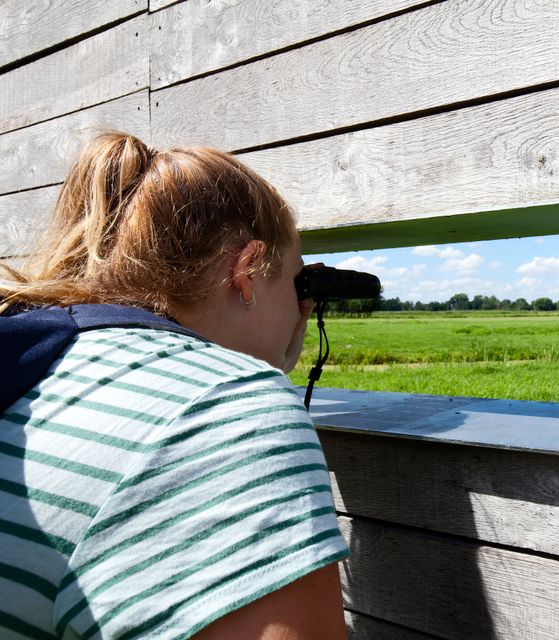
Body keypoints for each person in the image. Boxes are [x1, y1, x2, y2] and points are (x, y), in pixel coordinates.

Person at [0, 132, 349, 638]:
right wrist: (253, 377)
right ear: (246, 270)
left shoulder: (29, 358)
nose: (301, 304)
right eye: (295, 282)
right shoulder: (228, 413)